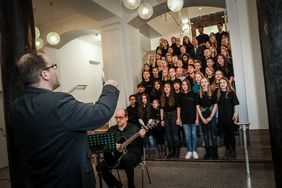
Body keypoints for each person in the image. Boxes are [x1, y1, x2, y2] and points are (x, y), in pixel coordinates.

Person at [10, 51, 119, 188]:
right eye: (53, 66)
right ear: (45, 74)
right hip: (69, 180)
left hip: (37, 180)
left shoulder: (16, 107)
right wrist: (109, 87)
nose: (56, 70)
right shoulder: (58, 102)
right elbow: (100, 113)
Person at [96, 108, 146, 188]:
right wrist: (112, 145)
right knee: (100, 167)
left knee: (127, 158)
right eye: (116, 117)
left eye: (120, 117)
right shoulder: (112, 129)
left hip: (132, 157)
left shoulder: (134, 128)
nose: (118, 120)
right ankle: (115, 184)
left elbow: (144, 144)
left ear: (126, 118)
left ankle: (131, 185)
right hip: (116, 157)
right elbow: (103, 143)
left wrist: (142, 136)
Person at [217, 77, 239, 159]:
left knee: (231, 135)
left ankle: (233, 151)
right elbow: (216, 106)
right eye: (221, 83)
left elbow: (236, 104)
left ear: (227, 83)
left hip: (230, 118)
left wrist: (235, 114)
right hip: (222, 119)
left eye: (224, 82)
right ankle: (227, 151)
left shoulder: (231, 93)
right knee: (225, 136)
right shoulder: (218, 94)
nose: (222, 84)